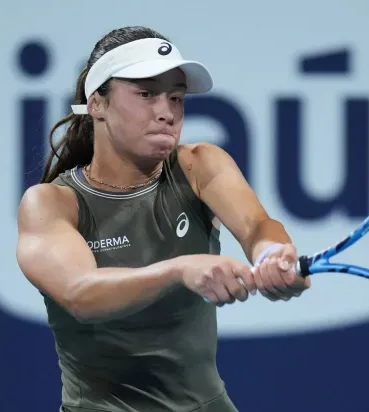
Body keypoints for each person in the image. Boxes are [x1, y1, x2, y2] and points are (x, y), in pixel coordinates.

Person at [16, 26, 311, 412]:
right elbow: (80, 293)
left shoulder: (199, 164)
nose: (166, 112)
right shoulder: (50, 204)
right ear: (97, 103)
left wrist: (271, 254)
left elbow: (257, 225)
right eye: (146, 94)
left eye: (176, 97)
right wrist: (180, 270)